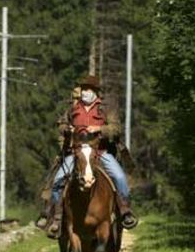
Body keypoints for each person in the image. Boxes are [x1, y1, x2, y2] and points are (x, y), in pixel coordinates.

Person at [43, 75, 138, 238]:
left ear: (95, 91)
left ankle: (125, 211)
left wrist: (99, 129)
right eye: (83, 89)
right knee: (58, 180)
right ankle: (56, 218)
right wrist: (67, 130)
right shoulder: (73, 108)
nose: (84, 92)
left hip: (100, 152)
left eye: (88, 89)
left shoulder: (105, 109)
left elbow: (116, 129)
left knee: (120, 177)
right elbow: (62, 125)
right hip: (77, 152)